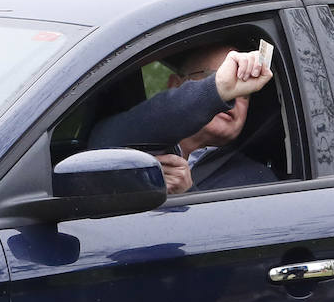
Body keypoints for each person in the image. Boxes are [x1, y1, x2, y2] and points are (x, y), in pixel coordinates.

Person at [90, 43, 279, 193]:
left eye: (245, 92)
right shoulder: (137, 141)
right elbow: (99, 144)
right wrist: (217, 89)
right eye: (213, 77)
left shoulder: (258, 181)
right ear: (175, 85)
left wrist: (186, 195)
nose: (233, 97)